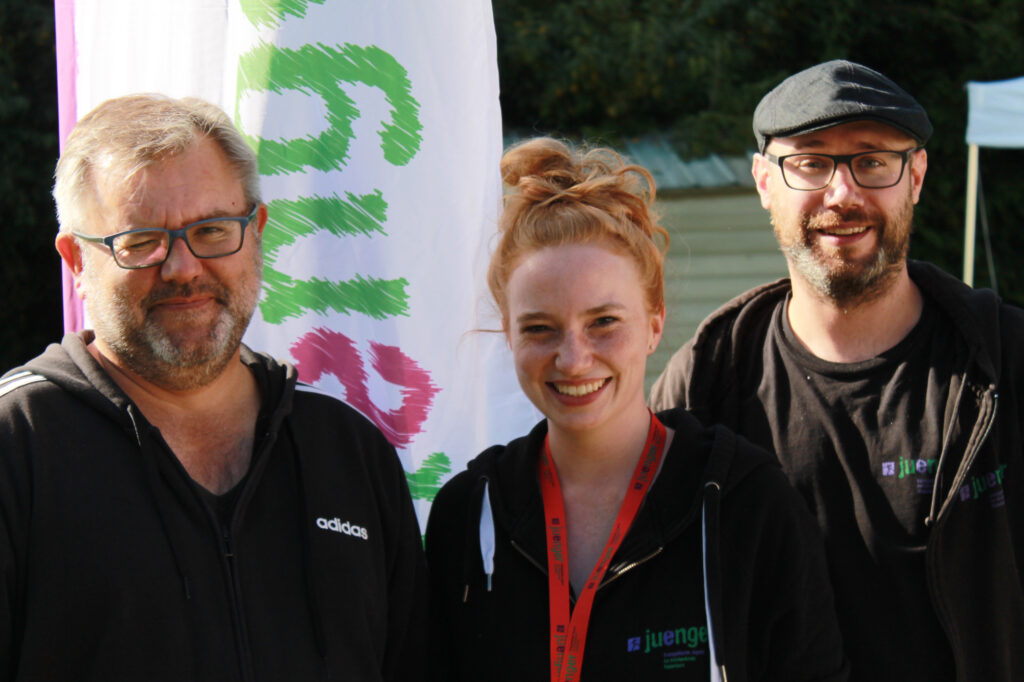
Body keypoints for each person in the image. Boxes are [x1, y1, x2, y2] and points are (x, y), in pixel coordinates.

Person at [0, 94, 427, 681]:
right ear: (76, 260)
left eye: (212, 229)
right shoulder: (17, 448)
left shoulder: (348, 454)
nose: (182, 267)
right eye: (141, 241)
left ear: (257, 232)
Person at [650, 60, 1024, 682]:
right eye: (811, 162)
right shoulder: (705, 382)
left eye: (873, 160)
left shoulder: (1004, 362)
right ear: (765, 182)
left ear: (917, 178)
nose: (842, 193)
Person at [426, 137, 848, 682]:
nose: (573, 359)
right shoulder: (467, 514)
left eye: (604, 322)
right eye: (539, 328)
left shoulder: (746, 503)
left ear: (654, 322)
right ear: (508, 335)